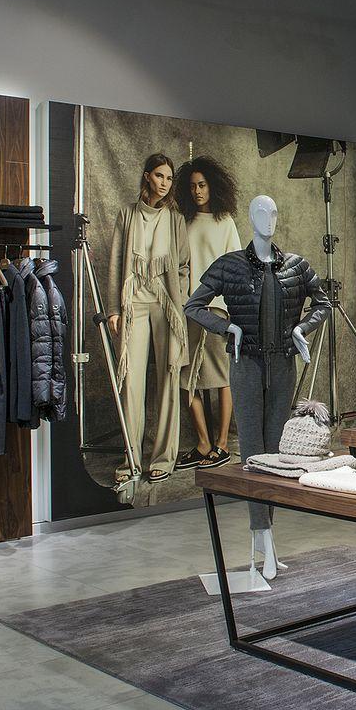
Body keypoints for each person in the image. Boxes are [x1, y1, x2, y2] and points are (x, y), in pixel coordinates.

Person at [106, 153, 193, 482]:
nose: (164, 183)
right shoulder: (127, 214)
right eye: (159, 175)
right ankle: (130, 461)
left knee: (169, 379)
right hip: (134, 304)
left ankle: (163, 459)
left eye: (169, 178)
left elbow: (183, 266)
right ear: (147, 176)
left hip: (167, 307)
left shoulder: (176, 219)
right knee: (131, 383)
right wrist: (114, 309)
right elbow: (116, 262)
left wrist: (179, 302)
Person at [178, 156, 242, 470]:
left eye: (202, 185)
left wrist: (233, 310)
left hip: (217, 308)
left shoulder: (225, 221)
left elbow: (237, 268)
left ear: (212, 186)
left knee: (221, 377)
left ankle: (222, 443)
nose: (197, 191)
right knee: (186, 376)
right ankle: (203, 443)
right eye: (192, 186)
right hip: (187, 308)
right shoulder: (183, 221)